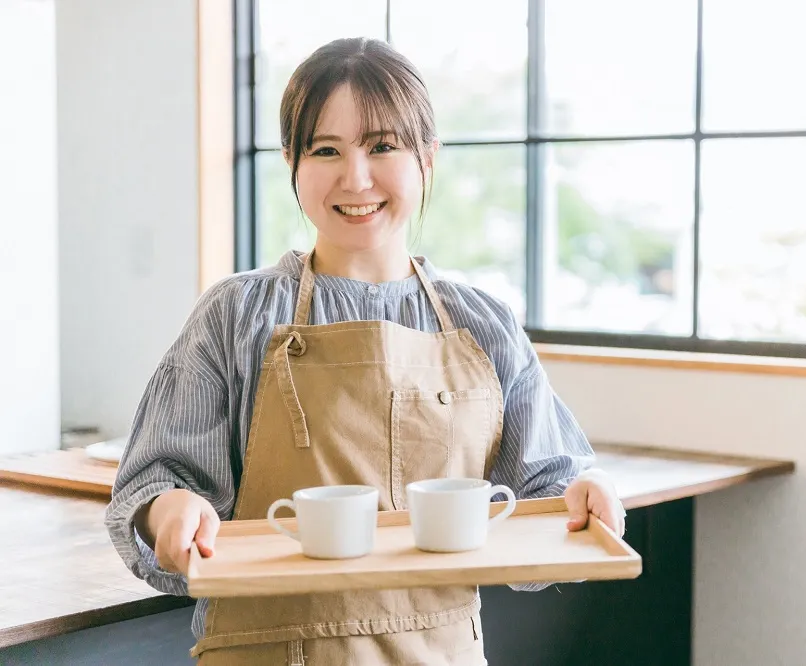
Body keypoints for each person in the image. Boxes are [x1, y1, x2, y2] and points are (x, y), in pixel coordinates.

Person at [106, 36, 625, 665]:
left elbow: (546, 485)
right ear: (292, 163)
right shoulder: (235, 316)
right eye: (326, 150)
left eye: (383, 146)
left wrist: (585, 493)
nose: (355, 177)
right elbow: (156, 482)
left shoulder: (482, 324)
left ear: (428, 158)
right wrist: (169, 511)